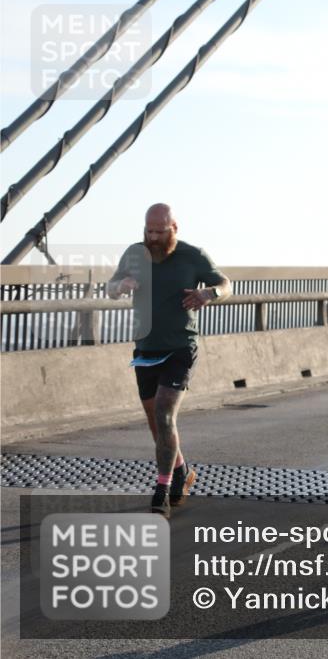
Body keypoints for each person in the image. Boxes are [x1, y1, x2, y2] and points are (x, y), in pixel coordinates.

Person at [107, 203, 231, 517]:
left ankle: (162, 490)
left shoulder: (193, 255)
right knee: (156, 423)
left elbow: (226, 285)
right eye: (148, 230)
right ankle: (182, 472)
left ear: (174, 228)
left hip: (180, 348)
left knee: (164, 413)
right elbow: (110, 287)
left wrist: (209, 295)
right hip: (146, 348)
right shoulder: (135, 254)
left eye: (160, 231)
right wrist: (119, 287)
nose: (153, 237)